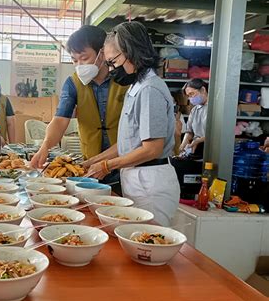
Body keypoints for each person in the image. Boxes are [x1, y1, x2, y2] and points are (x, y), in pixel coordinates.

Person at [86, 21, 180, 227]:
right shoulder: (135, 87)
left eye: (113, 62)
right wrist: (92, 161)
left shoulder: (149, 90)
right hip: (137, 179)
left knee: (149, 241)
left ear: (131, 52)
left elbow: (152, 149)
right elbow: (127, 145)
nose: (111, 69)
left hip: (150, 183)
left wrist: (106, 166)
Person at [30, 25, 129, 185]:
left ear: (102, 53)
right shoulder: (73, 84)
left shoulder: (123, 79)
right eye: (74, 60)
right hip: (91, 164)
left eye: (84, 58)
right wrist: (45, 146)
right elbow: (60, 120)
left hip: (125, 162)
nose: (79, 65)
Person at [179, 78, 208, 155]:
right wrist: (184, 143)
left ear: (203, 90)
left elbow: (216, 134)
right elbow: (189, 131)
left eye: (192, 94)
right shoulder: (194, 110)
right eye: (188, 96)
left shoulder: (215, 109)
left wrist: (198, 140)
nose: (190, 98)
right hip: (195, 148)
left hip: (211, 148)